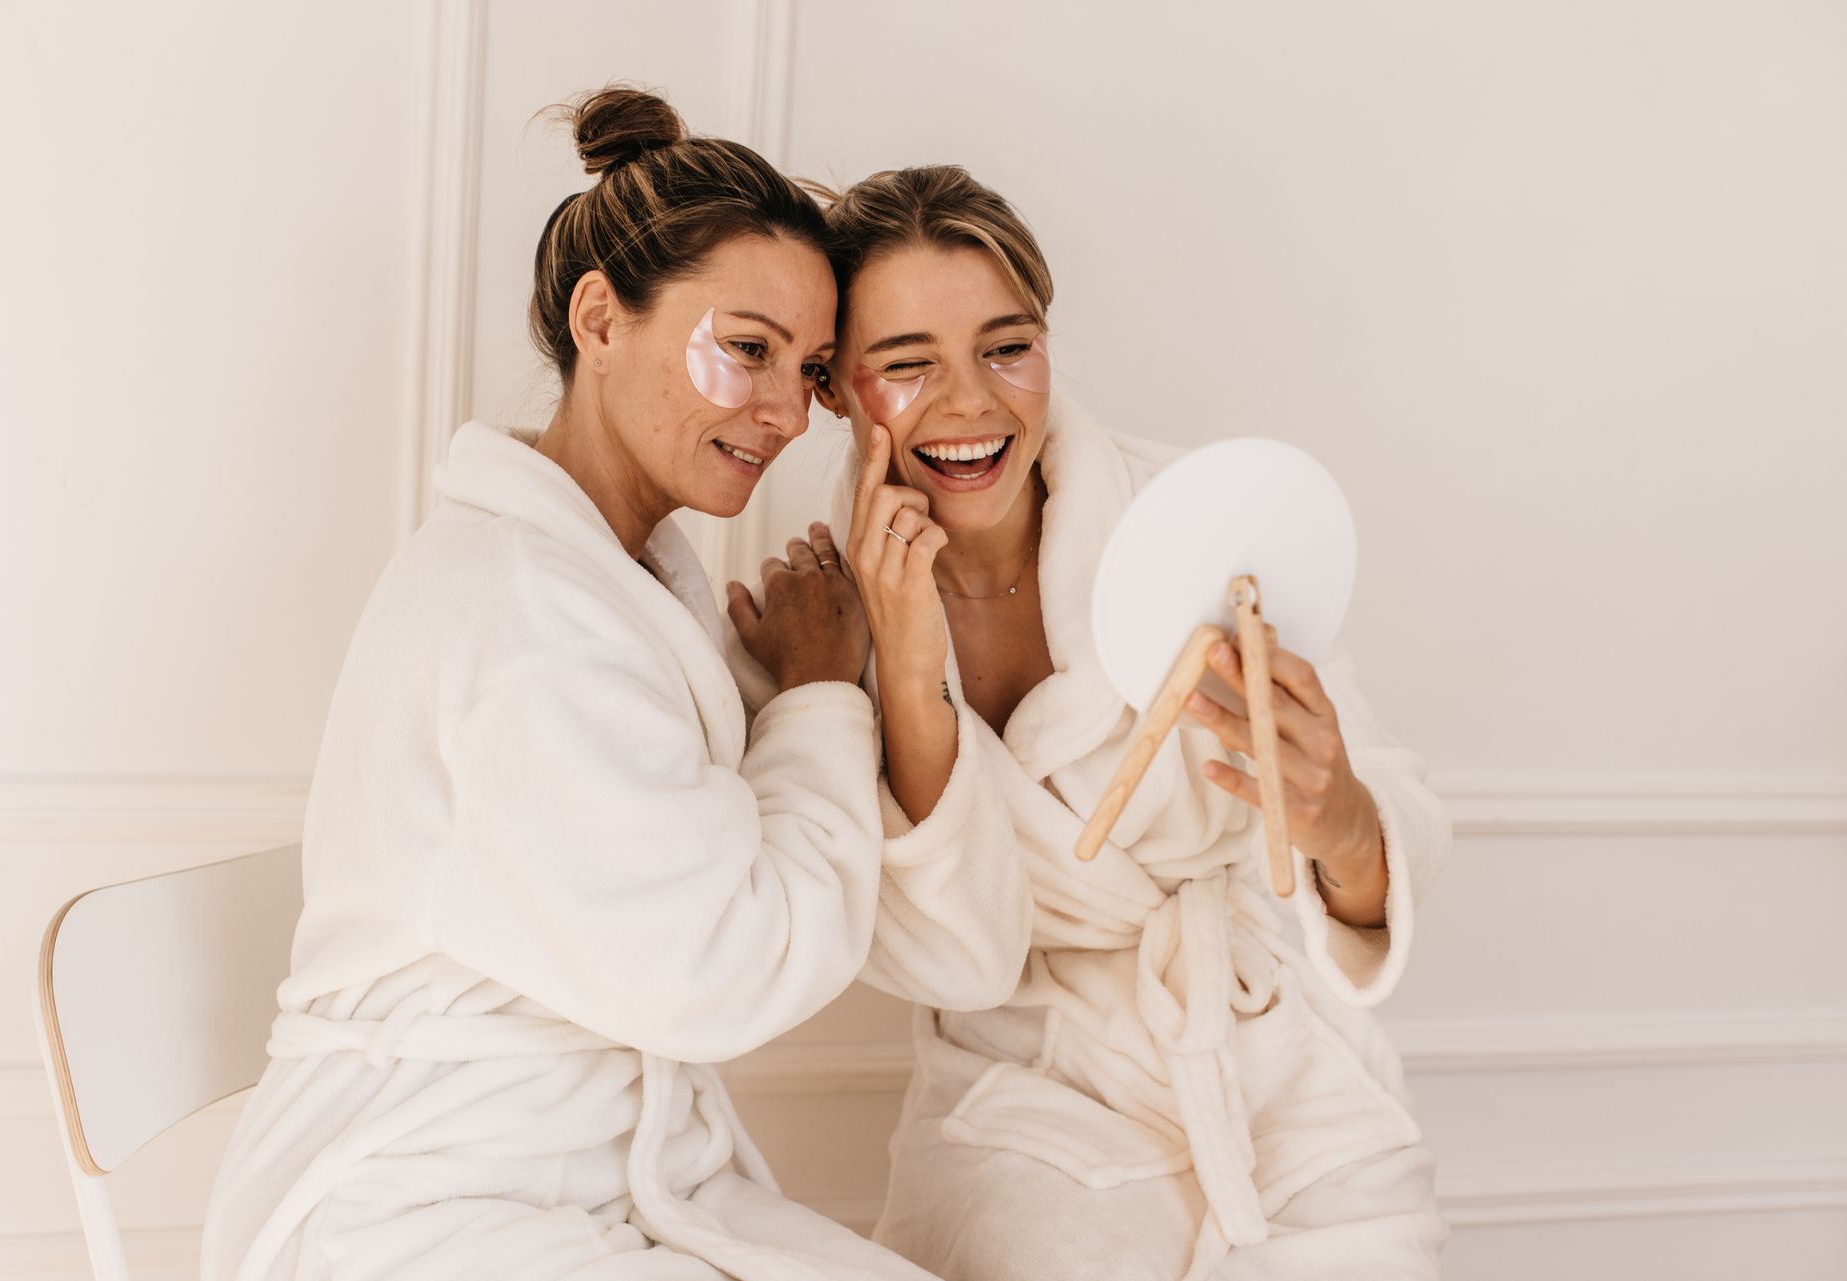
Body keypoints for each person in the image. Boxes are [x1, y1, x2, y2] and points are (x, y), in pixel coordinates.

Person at [200, 92, 1027, 1281]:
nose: (786, 412)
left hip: (584, 1177)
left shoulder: (621, 580)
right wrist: (813, 698)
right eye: (745, 350)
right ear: (601, 317)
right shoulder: (526, 616)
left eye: (806, 372)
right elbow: (730, 969)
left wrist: (870, 664)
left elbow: (790, 859)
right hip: (418, 1202)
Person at [786, 165, 1453, 1279]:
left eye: (1008, 346)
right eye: (907, 365)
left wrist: (1341, 820)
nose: (972, 403)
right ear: (839, 392)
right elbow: (949, 952)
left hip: (1277, 1082)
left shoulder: (1194, 524)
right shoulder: (827, 623)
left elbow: (1394, 829)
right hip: (1025, 1103)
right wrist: (906, 671)